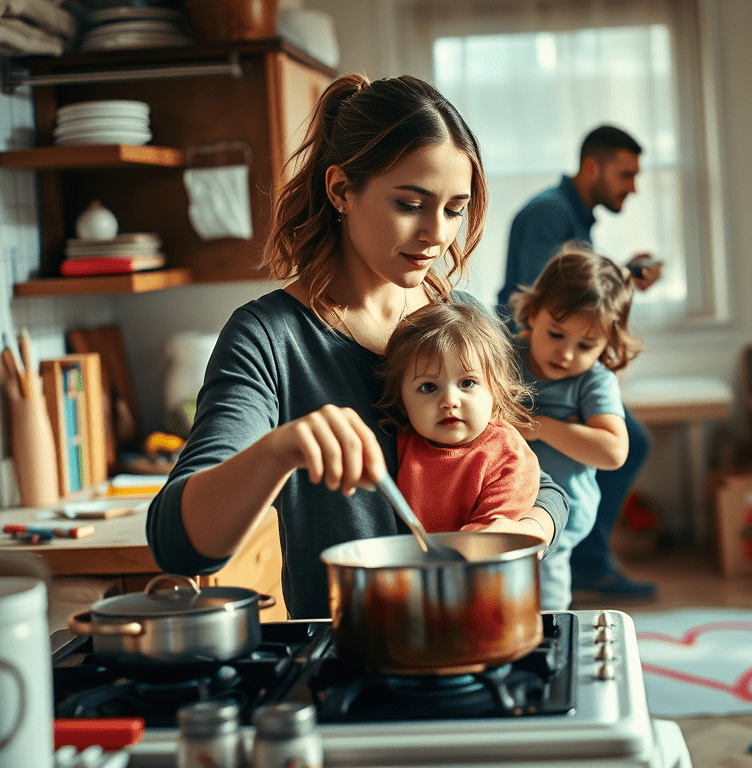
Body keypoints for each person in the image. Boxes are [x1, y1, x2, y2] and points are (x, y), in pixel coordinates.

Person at [147, 74, 568, 619]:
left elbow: (534, 479)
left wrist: (524, 530)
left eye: (454, 209)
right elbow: (178, 546)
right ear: (341, 189)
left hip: (475, 629)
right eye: (411, 204)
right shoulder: (269, 338)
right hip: (346, 652)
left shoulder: (458, 321)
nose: (438, 235)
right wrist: (278, 451)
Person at [498, 124, 660, 599]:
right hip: (527, 358)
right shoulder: (550, 214)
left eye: (634, 177)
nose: (632, 187)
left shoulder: (574, 217)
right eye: (625, 175)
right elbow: (550, 296)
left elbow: (575, 307)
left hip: (557, 514)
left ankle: (584, 555)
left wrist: (624, 277)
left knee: (629, 442)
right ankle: (590, 560)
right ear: (592, 167)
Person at [510, 244, 643, 609]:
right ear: (533, 314)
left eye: (585, 345)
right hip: (500, 505)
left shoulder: (594, 381)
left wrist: (539, 426)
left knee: (548, 608)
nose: (566, 354)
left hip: (558, 521)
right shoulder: (503, 353)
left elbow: (614, 451)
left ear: (606, 344)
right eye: (556, 335)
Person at [375, 302, 544, 534]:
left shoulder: (508, 454)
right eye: (429, 387)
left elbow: (490, 537)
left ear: (496, 391)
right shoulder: (400, 442)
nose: (449, 401)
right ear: (402, 402)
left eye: (467, 383)